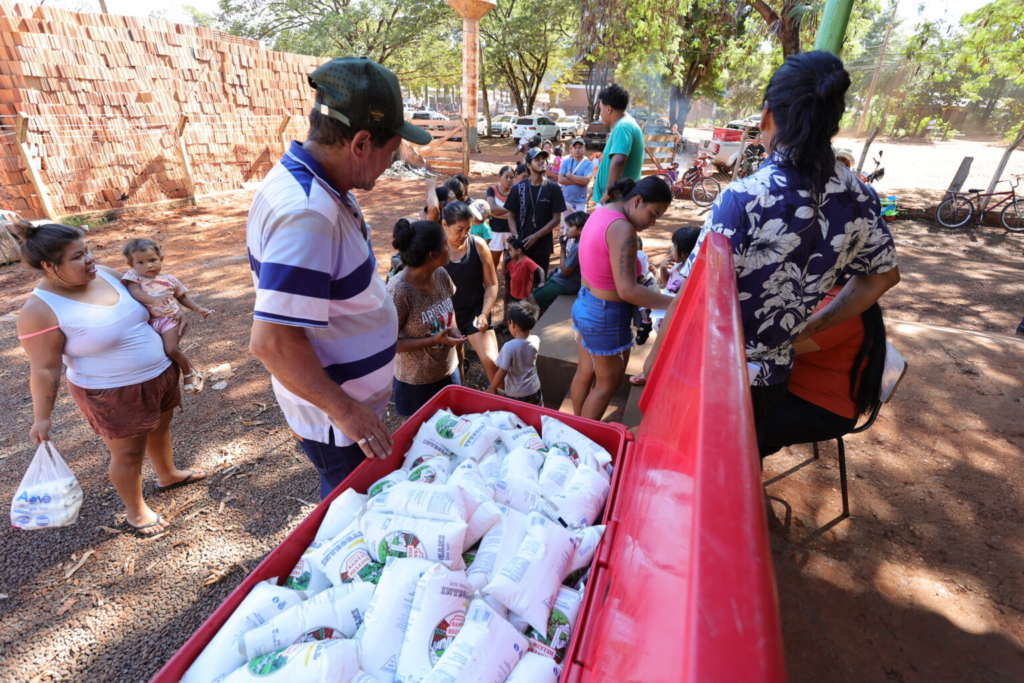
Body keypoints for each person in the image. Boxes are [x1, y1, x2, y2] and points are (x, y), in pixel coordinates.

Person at [642, 51, 900, 445]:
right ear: (832, 122)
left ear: (766, 116)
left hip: (711, 376)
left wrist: (654, 366)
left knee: (688, 465)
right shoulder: (859, 197)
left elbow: (691, 297)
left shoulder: (744, 199)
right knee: (736, 466)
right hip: (771, 383)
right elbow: (882, 277)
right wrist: (813, 324)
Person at [247, 57, 431, 498]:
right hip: (336, 424)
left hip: (342, 412)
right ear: (362, 142)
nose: (391, 162)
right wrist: (347, 412)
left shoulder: (319, 184)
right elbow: (271, 343)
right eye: (392, 150)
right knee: (354, 507)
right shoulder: (308, 213)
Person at [11, 221, 204, 538]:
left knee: (159, 429)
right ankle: (136, 512)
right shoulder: (40, 310)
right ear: (49, 265)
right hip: (111, 393)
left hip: (159, 374)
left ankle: (167, 474)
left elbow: (149, 299)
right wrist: (42, 418)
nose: (90, 259)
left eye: (87, 250)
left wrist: (173, 312)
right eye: (77, 257)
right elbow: (44, 368)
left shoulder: (106, 274)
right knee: (128, 453)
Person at [571, 177, 674, 420]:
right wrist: (677, 303)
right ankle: (582, 434)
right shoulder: (623, 228)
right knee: (607, 384)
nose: (652, 222)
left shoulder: (602, 211)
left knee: (585, 372)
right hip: (605, 316)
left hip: (584, 302)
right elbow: (627, 290)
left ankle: (574, 425)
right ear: (637, 200)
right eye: (653, 214)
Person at [758, 286, 887, 458]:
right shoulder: (833, 294)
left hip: (821, 409)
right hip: (791, 389)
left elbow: (773, 348)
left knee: (740, 428)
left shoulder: (842, 305)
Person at [388, 218, 466, 416]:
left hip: (448, 372)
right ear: (433, 254)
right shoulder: (399, 290)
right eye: (445, 245)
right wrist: (433, 340)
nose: (449, 248)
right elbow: (390, 344)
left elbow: (449, 308)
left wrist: (454, 328)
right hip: (416, 385)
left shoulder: (441, 274)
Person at [121, 238, 213, 394]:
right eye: (141, 262)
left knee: (171, 349)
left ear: (161, 259)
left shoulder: (169, 279)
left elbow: (182, 297)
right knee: (158, 352)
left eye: (152, 260)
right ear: (131, 265)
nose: (149, 265)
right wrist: (153, 300)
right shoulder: (134, 277)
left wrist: (198, 308)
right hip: (148, 323)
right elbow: (135, 292)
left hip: (170, 319)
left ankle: (189, 374)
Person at [441, 201, 500, 385]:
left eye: (468, 229)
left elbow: (491, 284)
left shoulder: (478, 245)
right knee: (455, 366)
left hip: (475, 310)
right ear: (445, 224)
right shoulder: (434, 251)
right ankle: (463, 394)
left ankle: (501, 398)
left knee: (492, 362)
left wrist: (484, 313)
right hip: (447, 314)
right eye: (459, 230)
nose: (464, 235)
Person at [505, 147, 566, 273]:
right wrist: (515, 235)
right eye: (537, 159)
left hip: (543, 246)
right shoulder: (518, 188)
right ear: (528, 165)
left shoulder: (553, 188)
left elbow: (556, 219)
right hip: (521, 246)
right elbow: (511, 215)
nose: (542, 161)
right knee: (520, 281)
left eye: (543, 158)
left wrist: (536, 236)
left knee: (539, 280)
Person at [591, 84, 646, 206]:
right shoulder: (627, 124)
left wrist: (609, 191)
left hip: (615, 202)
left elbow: (619, 160)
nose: (600, 114)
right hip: (617, 200)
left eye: (601, 109)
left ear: (609, 109)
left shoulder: (623, 126)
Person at [530, 210, 587, 316]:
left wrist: (562, 248)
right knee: (537, 290)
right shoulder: (578, 242)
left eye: (570, 227)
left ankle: (537, 323)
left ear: (581, 230)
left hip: (567, 284)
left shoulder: (578, 247)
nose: (566, 229)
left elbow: (565, 271)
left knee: (533, 298)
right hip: (566, 281)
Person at [487, 301, 543, 406]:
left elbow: (502, 370)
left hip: (516, 392)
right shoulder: (536, 340)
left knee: (517, 414)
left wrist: (493, 387)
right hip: (534, 388)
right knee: (536, 410)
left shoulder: (509, 347)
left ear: (512, 324)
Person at [558, 138, 593, 266]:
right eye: (575, 147)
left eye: (580, 147)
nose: (577, 150)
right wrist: (578, 180)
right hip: (566, 201)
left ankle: (579, 252)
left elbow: (586, 181)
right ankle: (567, 251)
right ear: (571, 149)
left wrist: (570, 176)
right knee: (567, 227)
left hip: (580, 202)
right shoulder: (566, 162)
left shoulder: (588, 164)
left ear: (584, 149)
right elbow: (561, 179)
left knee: (580, 228)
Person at [486, 166, 515, 270]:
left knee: (509, 266)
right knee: (493, 264)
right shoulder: (492, 190)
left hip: (511, 233)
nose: (509, 180)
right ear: (499, 176)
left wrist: (496, 214)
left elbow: (516, 214)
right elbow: (491, 208)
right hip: (495, 232)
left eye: (511, 177)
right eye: (506, 177)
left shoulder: (515, 191)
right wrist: (510, 211)